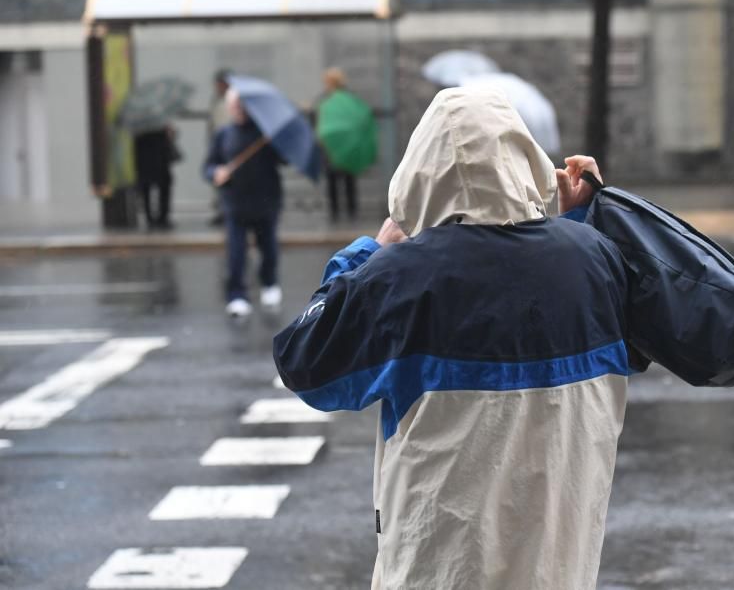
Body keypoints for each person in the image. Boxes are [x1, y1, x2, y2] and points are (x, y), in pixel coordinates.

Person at [273, 87, 640, 588]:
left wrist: (369, 254)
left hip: (441, 568)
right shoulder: (593, 257)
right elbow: (626, 345)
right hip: (559, 565)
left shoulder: (401, 277)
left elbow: (306, 362)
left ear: (420, 171)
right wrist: (580, 218)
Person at [203, 89, 283, 318]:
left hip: (265, 201)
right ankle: (237, 295)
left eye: (241, 105)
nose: (237, 109)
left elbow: (283, 160)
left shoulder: (264, 134)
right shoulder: (223, 134)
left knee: (268, 248)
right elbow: (209, 166)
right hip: (235, 203)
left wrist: (274, 142)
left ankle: (269, 284)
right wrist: (215, 173)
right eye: (234, 105)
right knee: (236, 252)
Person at [317, 67, 359, 222]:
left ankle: (344, 213)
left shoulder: (327, 100)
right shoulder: (348, 99)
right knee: (341, 180)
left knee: (341, 180)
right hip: (338, 146)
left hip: (336, 146)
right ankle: (345, 212)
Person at [134, 125, 177, 230]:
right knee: (153, 188)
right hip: (153, 158)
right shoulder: (156, 122)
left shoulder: (141, 124)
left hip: (153, 159)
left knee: (154, 188)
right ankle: (158, 217)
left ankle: (157, 217)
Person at [207, 69, 232, 227]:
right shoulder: (215, 101)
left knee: (228, 179)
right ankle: (221, 210)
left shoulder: (232, 101)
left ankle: (226, 210)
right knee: (219, 179)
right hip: (218, 145)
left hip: (229, 145)